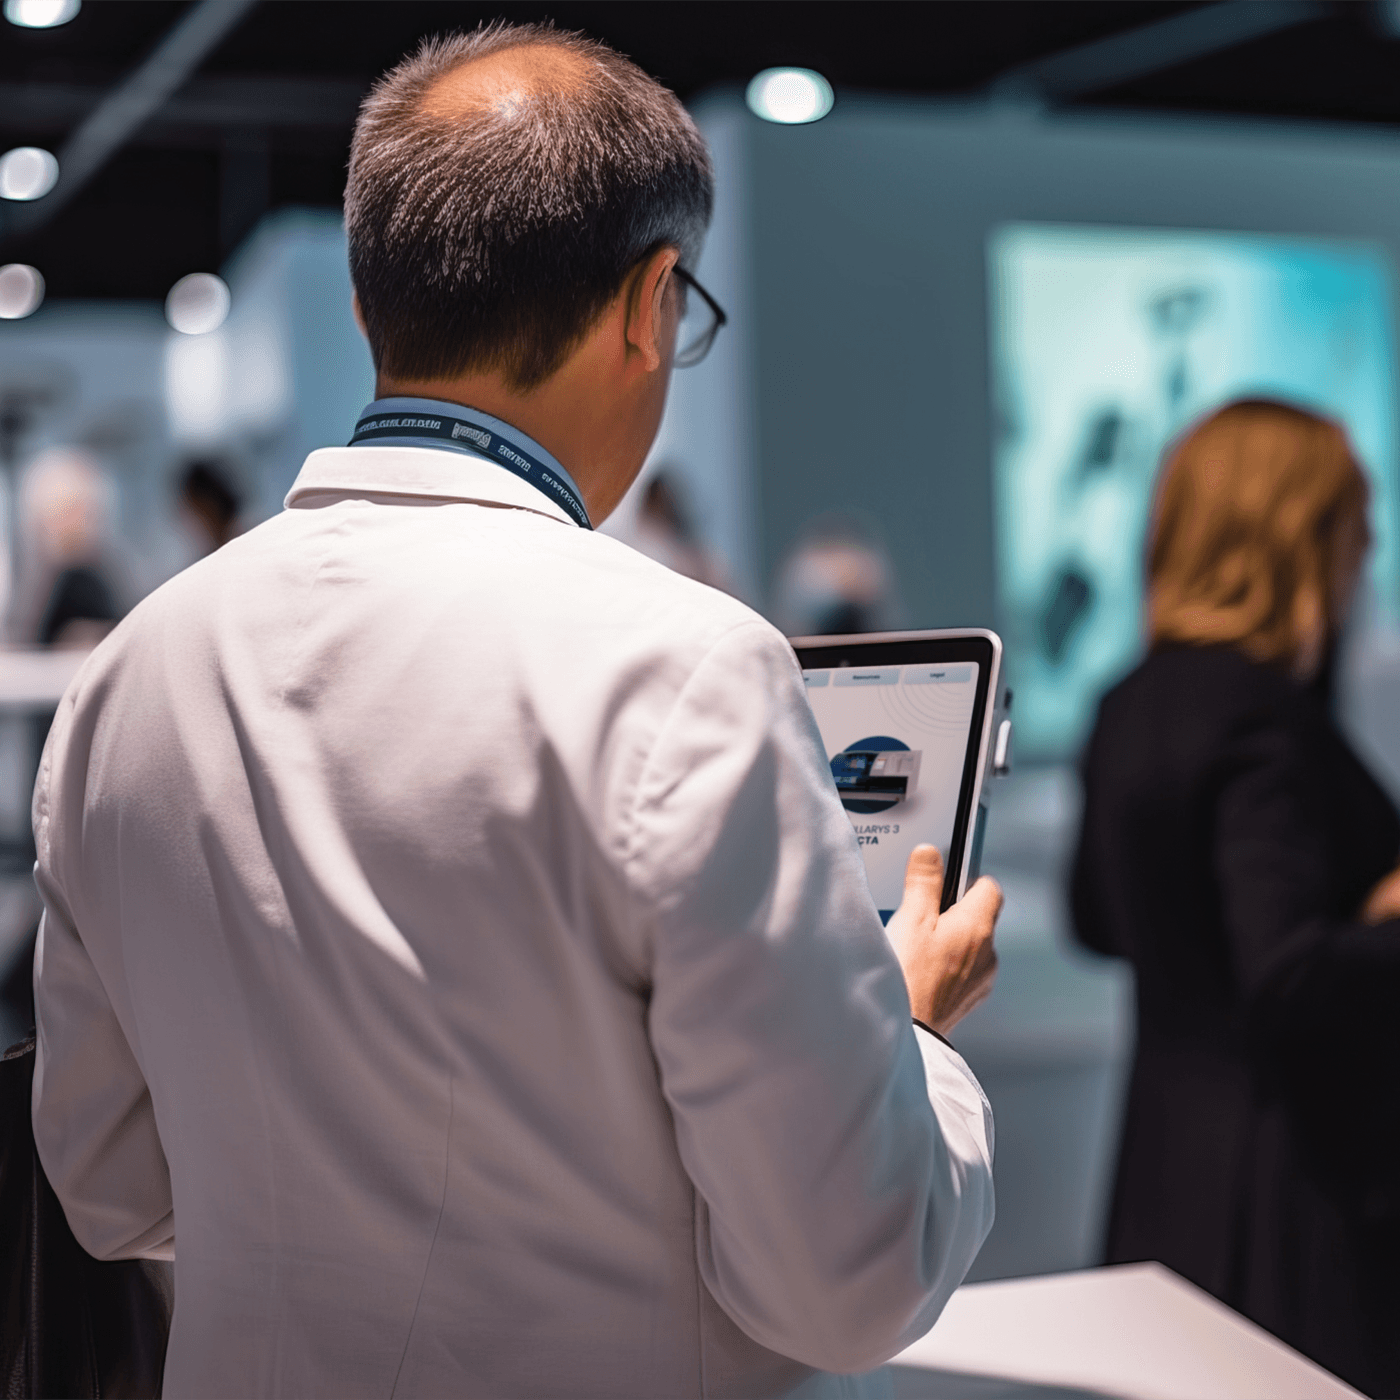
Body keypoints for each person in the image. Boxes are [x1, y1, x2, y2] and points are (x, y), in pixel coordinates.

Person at [29, 23, 1002, 1399]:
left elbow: (111, 1187)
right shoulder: (684, 669)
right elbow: (847, 1281)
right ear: (653, 304)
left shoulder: (131, 675)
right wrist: (909, 1038)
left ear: (373, 310)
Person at [1071, 398, 1400, 1397]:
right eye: (1354, 524)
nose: (1369, 550)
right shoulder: (1267, 722)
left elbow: (1095, 916)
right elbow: (1288, 976)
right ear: (1298, 538)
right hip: (1287, 1215)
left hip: (1161, 1172)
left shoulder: (1127, 702)